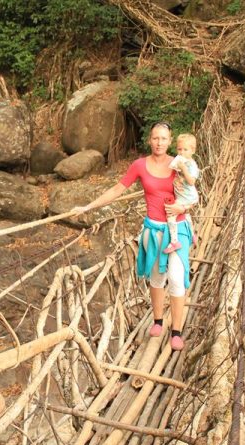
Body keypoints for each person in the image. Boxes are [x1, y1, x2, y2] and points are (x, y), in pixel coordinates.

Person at [71, 122, 193, 351]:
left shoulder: (179, 163)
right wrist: (88, 207)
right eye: (155, 138)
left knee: (176, 277)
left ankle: (176, 331)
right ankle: (158, 321)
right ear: (150, 140)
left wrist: (182, 208)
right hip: (153, 229)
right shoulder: (139, 165)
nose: (159, 143)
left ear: (170, 141)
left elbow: (193, 192)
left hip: (177, 228)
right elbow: (117, 189)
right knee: (156, 276)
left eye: (164, 139)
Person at [164, 133, 200, 254]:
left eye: (185, 149)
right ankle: (192, 235)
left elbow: (191, 182)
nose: (182, 152)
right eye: (179, 149)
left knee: (170, 214)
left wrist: (184, 168)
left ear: (192, 151)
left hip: (187, 197)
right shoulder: (179, 160)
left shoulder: (191, 165)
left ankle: (174, 241)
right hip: (182, 195)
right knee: (186, 216)